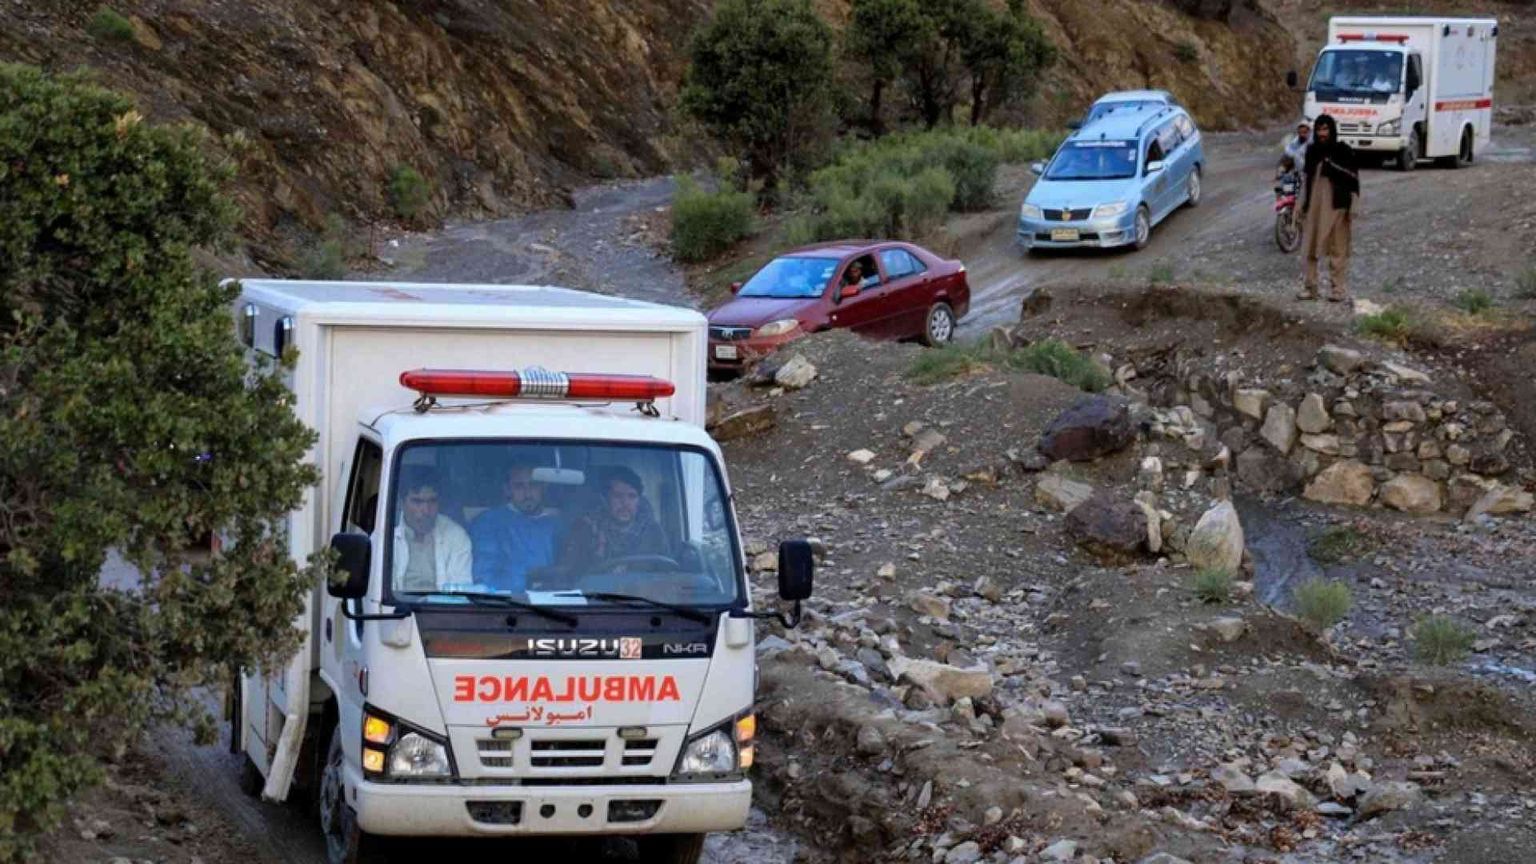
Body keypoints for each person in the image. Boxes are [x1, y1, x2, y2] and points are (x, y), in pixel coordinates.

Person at [469, 462, 562, 591]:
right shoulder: (488, 523)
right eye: (519, 486)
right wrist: (529, 579)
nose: (528, 494)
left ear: (544, 487)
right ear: (507, 490)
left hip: (558, 605)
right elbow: (484, 580)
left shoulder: (555, 524)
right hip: (508, 606)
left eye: (533, 485)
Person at [1299, 114, 1360, 302]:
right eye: (1318, 130)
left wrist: (1353, 205)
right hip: (1315, 206)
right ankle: (1310, 287)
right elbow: (1306, 179)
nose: (1322, 133)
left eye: (1325, 129)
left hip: (1337, 205)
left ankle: (1338, 290)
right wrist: (1300, 205)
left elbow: (1353, 181)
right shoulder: (1311, 151)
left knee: (1337, 248)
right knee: (1310, 245)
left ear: (1332, 130)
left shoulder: (1343, 151)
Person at [560, 466, 668, 571]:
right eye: (617, 496)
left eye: (632, 496)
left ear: (639, 500)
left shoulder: (653, 531)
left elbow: (667, 574)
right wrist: (598, 551)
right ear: (605, 499)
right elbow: (569, 572)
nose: (625, 503)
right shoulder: (586, 527)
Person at [391, 469, 472, 593]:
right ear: (402, 503)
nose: (425, 510)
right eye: (417, 501)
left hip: (442, 610)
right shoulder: (385, 535)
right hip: (398, 610)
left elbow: (461, 590)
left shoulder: (456, 536)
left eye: (432, 501)